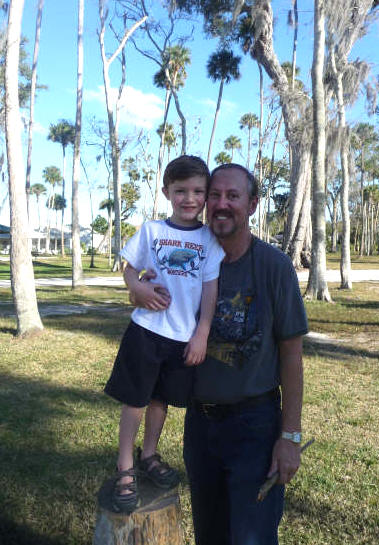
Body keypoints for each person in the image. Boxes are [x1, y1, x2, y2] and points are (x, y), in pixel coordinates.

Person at [133, 163, 308, 545]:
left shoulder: (273, 267)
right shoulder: (186, 255)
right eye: (215, 195)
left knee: (252, 537)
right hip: (201, 425)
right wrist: (140, 291)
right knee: (209, 535)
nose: (222, 204)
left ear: (253, 204)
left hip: (256, 426)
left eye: (233, 196)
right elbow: (150, 297)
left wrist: (290, 437)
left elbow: (292, 356)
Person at [104, 155, 225, 514]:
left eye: (198, 191)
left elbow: (210, 290)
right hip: (146, 331)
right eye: (181, 191)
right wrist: (136, 289)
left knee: (162, 401)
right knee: (137, 400)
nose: (190, 198)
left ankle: (149, 454)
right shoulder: (152, 231)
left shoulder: (209, 239)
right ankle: (125, 465)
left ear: (206, 195)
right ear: (166, 192)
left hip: (182, 338)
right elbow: (130, 269)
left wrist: (201, 333)